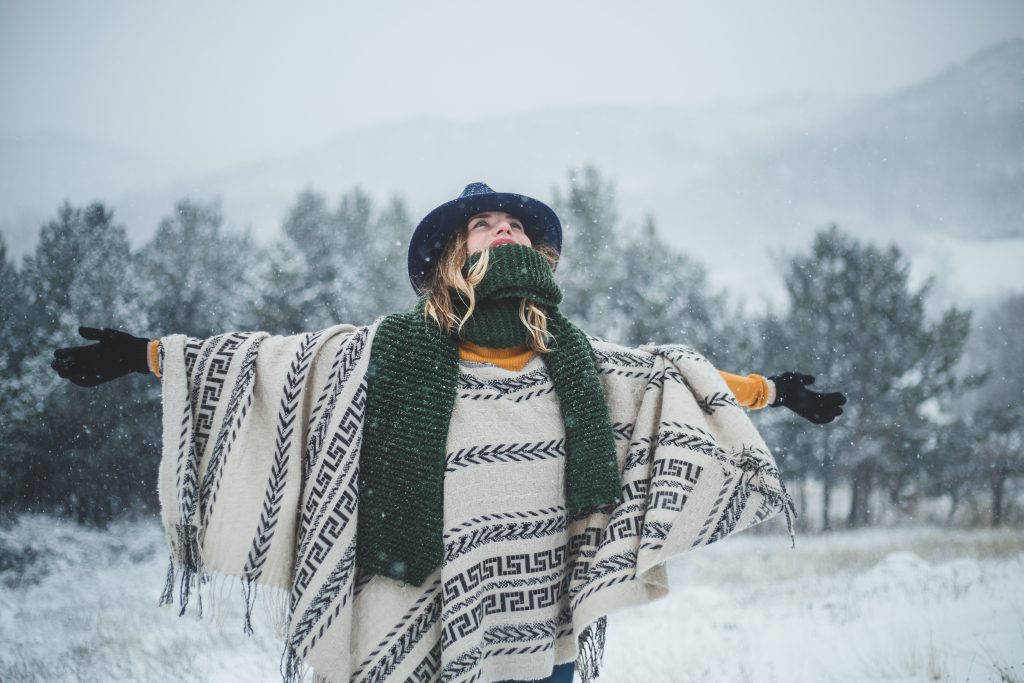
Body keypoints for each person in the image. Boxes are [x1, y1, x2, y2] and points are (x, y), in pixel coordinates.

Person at [52, 182, 845, 683]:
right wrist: (146, 355)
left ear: (539, 253)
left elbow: (676, 380)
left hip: (545, 632)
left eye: (512, 223)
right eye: (482, 223)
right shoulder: (386, 354)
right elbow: (270, 367)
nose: (500, 228)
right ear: (448, 257)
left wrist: (773, 390)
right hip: (421, 622)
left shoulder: (580, 362)